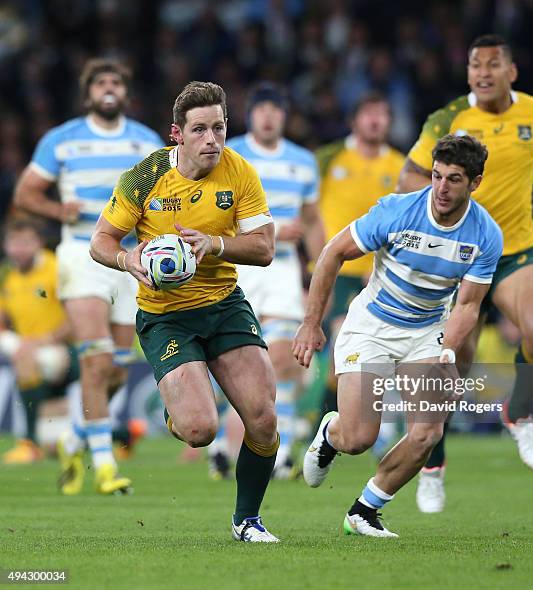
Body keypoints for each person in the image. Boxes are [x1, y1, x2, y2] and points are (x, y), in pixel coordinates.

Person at [398, 34, 533, 513]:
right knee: (448, 365)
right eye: (475, 65)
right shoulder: (447, 120)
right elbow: (410, 178)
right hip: (455, 257)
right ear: (467, 74)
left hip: (513, 251)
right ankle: (432, 466)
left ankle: (518, 411)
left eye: (493, 64)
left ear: (512, 71)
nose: (483, 72)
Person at [90, 81, 281, 543]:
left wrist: (215, 244)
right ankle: (183, 411)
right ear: (177, 133)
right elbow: (101, 241)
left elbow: (265, 247)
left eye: (219, 127)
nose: (211, 139)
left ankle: (247, 521)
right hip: (165, 315)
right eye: (200, 130)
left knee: (264, 419)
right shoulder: (145, 176)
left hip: (224, 306)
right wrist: (128, 260)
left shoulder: (239, 173)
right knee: (199, 430)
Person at [294, 134, 502, 537]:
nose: (441, 188)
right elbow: (332, 253)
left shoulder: (485, 235)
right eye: (437, 176)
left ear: (474, 183)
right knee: (357, 438)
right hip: (371, 327)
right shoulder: (397, 212)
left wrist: (447, 352)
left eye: (454, 179)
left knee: (426, 433)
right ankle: (330, 434)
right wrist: (311, 322)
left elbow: (468, 306)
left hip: (427, 334)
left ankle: (365, 510)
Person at [13, 59, 164, 494]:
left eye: (117, 81)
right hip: (81, 251)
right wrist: (58, 210)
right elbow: (26, 193)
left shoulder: (146, 142)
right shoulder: (62, 140)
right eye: (101, 82)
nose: (109, 87)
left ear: (126, 93)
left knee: (116, 369)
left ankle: (74, 437)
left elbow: (166, 193)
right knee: (95, 359)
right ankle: (104, 466)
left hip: (129, 256)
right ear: (88, 94)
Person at [224, 82, 325, 478]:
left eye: (275, 109)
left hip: (282, 269)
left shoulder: (302, 161)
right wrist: (270, 230)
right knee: (236, 359)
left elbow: (314, 220)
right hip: (237, 265)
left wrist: (317, 271)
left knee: (283, 360)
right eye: (261, 108)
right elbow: (217, 213)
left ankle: (277, 455)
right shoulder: (231, 154)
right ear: (251, 115)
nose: (268, 116)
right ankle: (225, 442)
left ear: (284, 116)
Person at [315, 92, 405, 427]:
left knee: (370, 354)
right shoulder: (328, 158)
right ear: (354, 120)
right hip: (336, 270)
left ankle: (333, 427)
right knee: (338, 348)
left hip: (380, 274)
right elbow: (308, 212)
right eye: (368, 113)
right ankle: (326, 425)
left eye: (382, 113)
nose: (375, 120)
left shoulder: (400, 165)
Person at [0, 218, 76, 464]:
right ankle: (126, 433)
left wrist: (43, 340)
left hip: (65, 352)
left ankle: (28, 442)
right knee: (56, 447)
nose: (18, 249)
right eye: (14, 243)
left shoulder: (55, 269)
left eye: (25, 243)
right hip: (38, 356)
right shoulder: (10, 276)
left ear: (38, 244)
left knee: (25, 354)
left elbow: (76, 318)